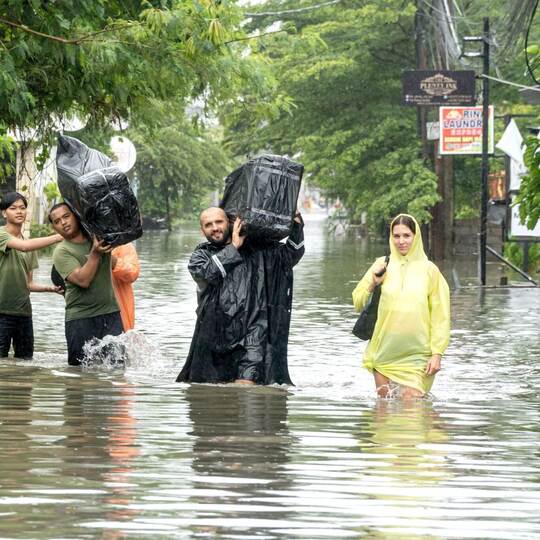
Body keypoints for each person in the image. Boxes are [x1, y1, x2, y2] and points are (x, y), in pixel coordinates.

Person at [177, 207, 305, 385]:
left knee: (246, 387)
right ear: (202, 230)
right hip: (216, 336)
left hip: (254, 333)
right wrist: (233, 247)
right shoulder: (201, 255)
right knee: (214, 392)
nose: (215, 227)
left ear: (229, 222)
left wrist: (297, 227)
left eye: (219, 222)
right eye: (208, 225)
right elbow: (207, 274)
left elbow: (289, 256)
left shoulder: (258, 249)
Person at [352, 214, 450, 399]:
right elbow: (357, 301)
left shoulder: (430, 271)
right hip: (384, 352)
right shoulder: (382, 265)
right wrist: (373, 284)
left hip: (418, 355)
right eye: (396, 236)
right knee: (382, 415)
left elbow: (441, 316)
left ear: (416, 236)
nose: (401, 241)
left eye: (406, 235)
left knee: (411, 410)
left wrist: (437, 353)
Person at [49, 203, 123, 366]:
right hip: (81, 319)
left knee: (117, 370)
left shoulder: (98, 237)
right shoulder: (61, 251)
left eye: (66, 216)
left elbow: (115, 260)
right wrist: (95, 253)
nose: (63, 222)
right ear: (55, 228)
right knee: (79, 376)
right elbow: (83, 281)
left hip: (110, 315)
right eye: (57, 221)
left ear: (76, 215)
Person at [0, 192, 63, 359]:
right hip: (1, 312)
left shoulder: (29, 243)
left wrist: (50, 289)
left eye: (22, 208)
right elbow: (24, 247)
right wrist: (58, 236)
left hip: (23, 313)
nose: (19, 211)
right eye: (13, 208)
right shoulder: (1, 235)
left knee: (25, 363)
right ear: (4, 213)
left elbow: (28, 283)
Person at [111, 243, 140, 331]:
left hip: (119, 316)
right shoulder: (80, 243)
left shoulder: (123, 245)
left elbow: (132, 274)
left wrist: (113, 261)